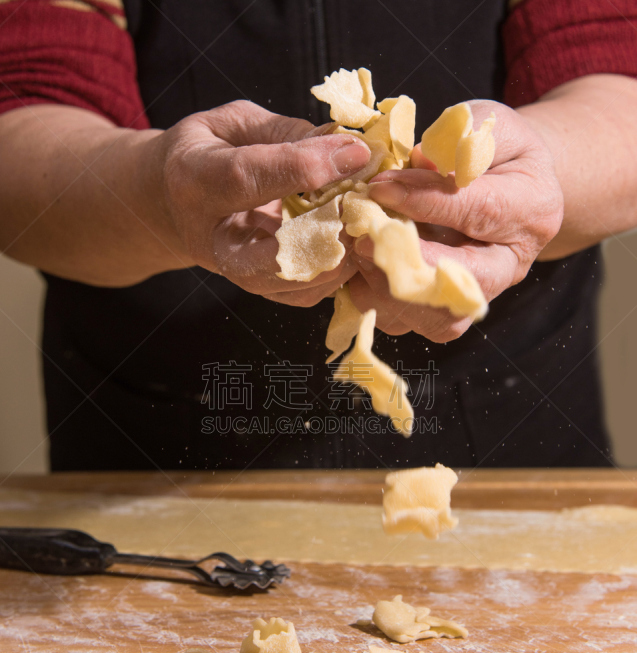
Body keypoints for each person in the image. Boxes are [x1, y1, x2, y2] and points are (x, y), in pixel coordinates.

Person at [0, 0, 636, 471]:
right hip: (159, 445)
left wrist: (537, 170)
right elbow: (21, 120)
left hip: (507, 431)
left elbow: (617, 80)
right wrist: (154, 195)